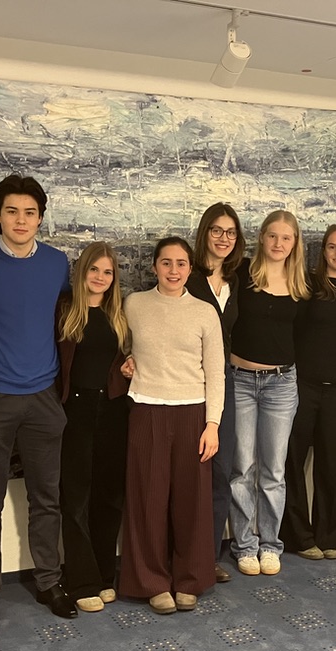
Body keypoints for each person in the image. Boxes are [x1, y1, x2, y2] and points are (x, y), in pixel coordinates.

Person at [0, 174, 75, 630]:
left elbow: (69, 318)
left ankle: (49, 580)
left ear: (40, 218)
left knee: (46, 498)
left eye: (30, 212)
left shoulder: (56, 263)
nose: (21, 220)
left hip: (42, 396)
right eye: (11, 211)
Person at [119, 237, 224, 614]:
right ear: (154, 267)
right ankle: (152, 582)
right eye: (166, 263)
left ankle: (190, 580)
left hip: (192, 413)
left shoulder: (204, 312)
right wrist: (127, 360)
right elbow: (122, 346)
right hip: (147, 409)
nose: (173, 270)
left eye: (181, 263)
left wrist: (212, 424)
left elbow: (216, 372)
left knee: (191, 503)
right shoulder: (134, 304)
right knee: (147, 501)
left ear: (190, 269)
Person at [228, 210, 310, 576]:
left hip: (281, 385)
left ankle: (270, 544)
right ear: (261, 237)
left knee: (274, 471)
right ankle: (245, 545)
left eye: (286, 238)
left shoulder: (301, 284)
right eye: (273, 235)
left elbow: (305, 336)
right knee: (242, 468)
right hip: (240, 382)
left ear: (295, 243)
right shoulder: (242, 273)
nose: (279, 243)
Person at [281, 224, 336, 560]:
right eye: (332, 246)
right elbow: (293, 330)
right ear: (323, 251)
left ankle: (331, 535)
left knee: (333, 463)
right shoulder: (308, 287)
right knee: (293, 460)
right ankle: (298, 535)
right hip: (303, 385)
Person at [57, 242, 130, 613]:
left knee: (109, 495)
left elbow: (125, 360)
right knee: (76, 497)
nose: (100, 277)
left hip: (114, 409)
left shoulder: (119, 314)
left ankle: (103, 575)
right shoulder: (65, 311)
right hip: (76, 410)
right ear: (82, 271)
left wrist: (128, 365)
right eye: (94, 270)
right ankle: (81, 580)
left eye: (107, 272)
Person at [185, 203, 245, 583]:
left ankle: (208, 557)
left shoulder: (237, 281)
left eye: (231, 232)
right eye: (217, 230)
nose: (224, 238)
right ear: (205, 232)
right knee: (189, 472)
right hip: (188, 383)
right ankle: (183, 556)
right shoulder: (187, 276)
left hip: (225, 382)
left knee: (221, 471)